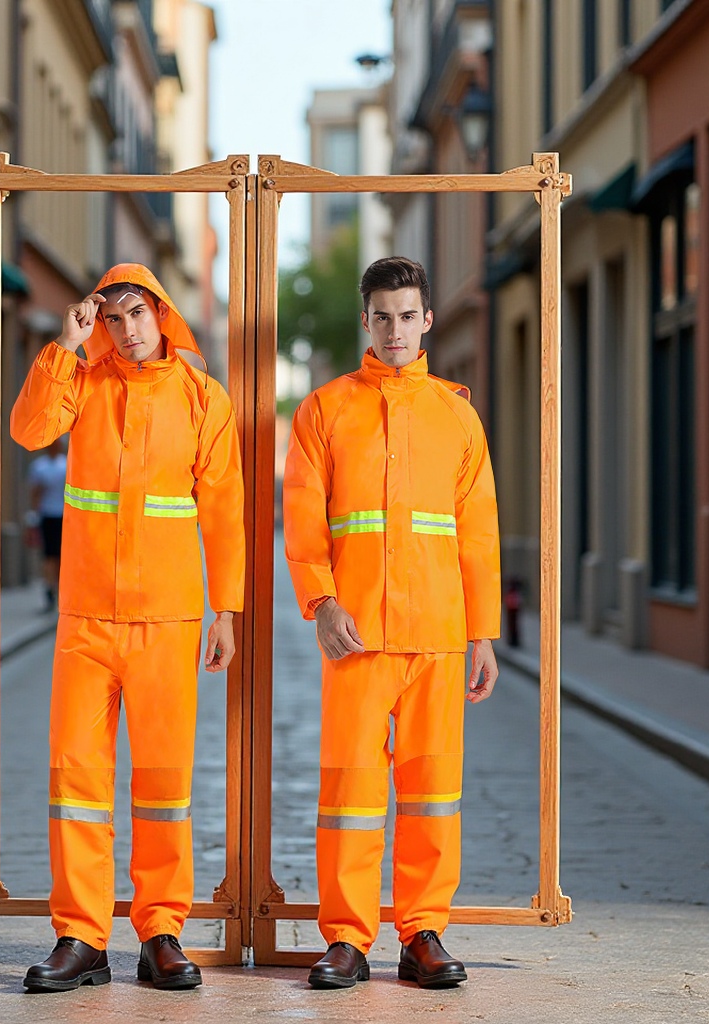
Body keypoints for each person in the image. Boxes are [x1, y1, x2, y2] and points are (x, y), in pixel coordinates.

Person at [10, 264, 245, 992]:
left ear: (163, 313)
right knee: (76, 782)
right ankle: (79, 937)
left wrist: (227, 611)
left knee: (164, 784)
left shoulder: (204, 399)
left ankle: (162, 932)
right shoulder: (82, 381)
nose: (126, 329)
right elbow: (27, 430)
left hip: (169, 620)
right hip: (85, 618)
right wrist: (65, 345)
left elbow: (226, 512)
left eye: (136, 314)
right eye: (112, 318)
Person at [282, 256, 500, 990]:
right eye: (383, 316)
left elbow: (477, 532)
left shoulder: (457, 413)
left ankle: (423, 932)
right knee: (348, 790)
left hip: (438, 632)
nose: (396, 329)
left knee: (434, 789)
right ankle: (346, 938)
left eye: (409, 316)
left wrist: (483, 633)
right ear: (365, 321)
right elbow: (306, 521)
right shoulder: (324, 409)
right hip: (357, 636)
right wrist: (321, 601)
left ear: (428, 319)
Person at [27, 437, 67, 611]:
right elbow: (36, 493)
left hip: (62, 515)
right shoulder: (41, 466)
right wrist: (34, 515)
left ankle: (56, 589)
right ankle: (51, 589)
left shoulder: (64, 464)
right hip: (49, 515)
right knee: (50, 556)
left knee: (58, 556)